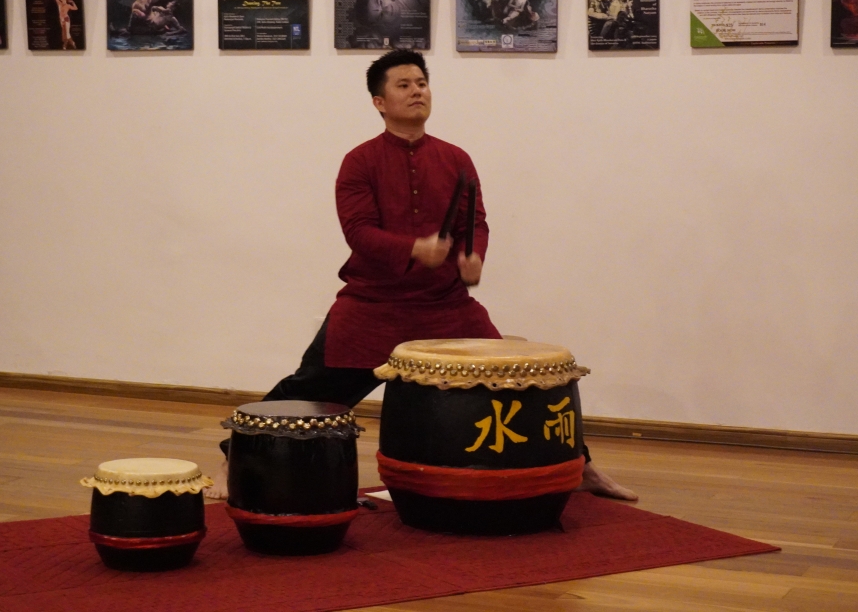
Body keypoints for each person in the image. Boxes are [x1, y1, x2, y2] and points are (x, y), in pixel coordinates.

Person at [205, 50, 637, 502]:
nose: (416, 91)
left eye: (421, 83)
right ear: (379, 101)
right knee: (311, 390)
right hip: (373, 304)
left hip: (445, 303)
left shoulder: (456, 159)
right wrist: (414, 248)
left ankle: (579, 467)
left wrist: (473, 255)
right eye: (403, 85)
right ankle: (233, 454)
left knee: (520, 378)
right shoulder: (359, 161)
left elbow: (477, 223)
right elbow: (358, 233)